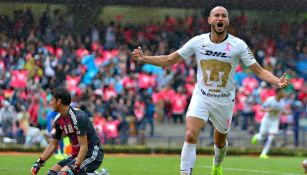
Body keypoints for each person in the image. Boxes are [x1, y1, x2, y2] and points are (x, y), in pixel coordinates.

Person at [132, 6, 290, 175]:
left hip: (224, 101)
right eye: (216, 15)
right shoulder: (198, 42)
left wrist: (276, 81)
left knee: (220, 143)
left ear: (227, 21)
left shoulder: (238, 45)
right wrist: (144, 58)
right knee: (190, 135)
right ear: (209, 20)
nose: (220, 18)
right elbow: (170, 59)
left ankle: (217, 163)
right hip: (202, 96)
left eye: (223, 16)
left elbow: (258, 70)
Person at [31, 88, 104, 175]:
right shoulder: (58, 120)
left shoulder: (78, 117)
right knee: (51, 173)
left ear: (58, 101)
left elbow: (84, 146)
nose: (50, 103)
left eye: (52, 100)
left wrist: (76, 167)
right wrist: (39, 162)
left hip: (92, 154)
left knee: (64, 174)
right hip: (76, 154)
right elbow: (53, 144)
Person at [251, 88, 289, 158]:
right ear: (278, 93)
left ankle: (263, 154)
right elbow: (262, 109)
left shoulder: (283, 102)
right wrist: (269, 109)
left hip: (275, 121)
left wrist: (286, 112)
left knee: (271, 137)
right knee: (262, 137)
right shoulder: (270, 100)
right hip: (267, 120)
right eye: (282, 92)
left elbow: (283, 112)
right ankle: (257, 136)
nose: (284, 94)